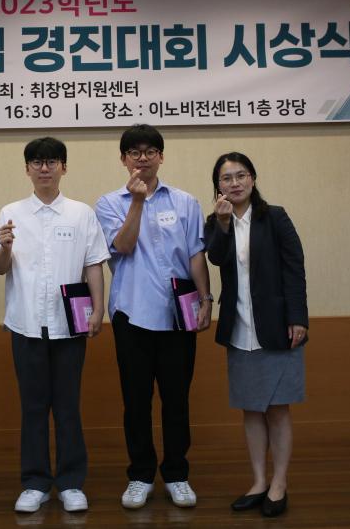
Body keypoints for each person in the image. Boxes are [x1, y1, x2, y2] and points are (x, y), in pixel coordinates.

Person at [0, 137, 110, 514]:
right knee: (33, 408)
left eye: (52, 161)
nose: (44, 168)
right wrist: (5, 247)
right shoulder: (11, 213)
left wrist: (98, 310)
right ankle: (35, 483)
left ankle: (71, 482)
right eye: (37, 162)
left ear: (63, 168)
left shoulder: (81, 213)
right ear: (27, 169)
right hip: (26, 326)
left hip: (69, 327)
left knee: (68, 407)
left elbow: (93, 264)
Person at [94, 124, 212, 510]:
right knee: (136, 401)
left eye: (149, 151)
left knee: (177, 400)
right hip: (132, 314)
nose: (142, 158)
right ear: (123, 159)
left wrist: (206, 299)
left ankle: (177, 474)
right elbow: (123, 247)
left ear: (161, 156)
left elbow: (195, 255)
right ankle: (141, 475)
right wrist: (137, 201)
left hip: (178, 315)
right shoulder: (108, 203)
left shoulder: (186, 202)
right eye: (134, 152)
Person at [203, 151, 308, 518]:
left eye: (241, 175)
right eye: (226, 178)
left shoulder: (274, 217)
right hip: (240, 329)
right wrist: (222, 224)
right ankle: (259, 481)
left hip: (277, 327)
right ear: (218, 185)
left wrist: (298, 317)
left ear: (253, 179)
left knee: (277, 409)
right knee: (251, 409)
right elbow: (216, 259)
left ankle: (279, 483)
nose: (235, 183)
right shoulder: (215, 221)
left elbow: (295, 268)